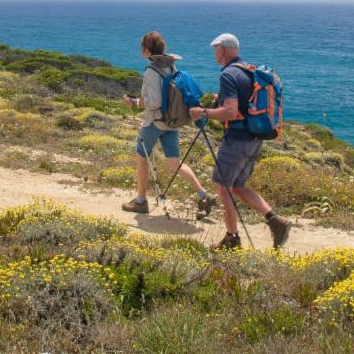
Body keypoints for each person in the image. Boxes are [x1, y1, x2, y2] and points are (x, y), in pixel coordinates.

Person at [189, 32, 292, 250]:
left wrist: (203, 112)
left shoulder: (228, 74)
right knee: (237, 186)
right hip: (255, 138)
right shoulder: (248, 70)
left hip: (237, 139)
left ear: (222, 50)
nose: (214, 53)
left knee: (223, 187)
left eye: (215, 49)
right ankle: (275, 220)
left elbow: (230, 111)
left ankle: (232, 238)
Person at [121, 31, 214, 216]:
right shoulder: (171, 66)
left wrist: (135, 103)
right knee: (174, 163)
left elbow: (155, 102)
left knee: (142, 157)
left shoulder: (151, 70)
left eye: (142, 47)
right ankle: (202, 194)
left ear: (147, 50)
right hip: (172, 121)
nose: (141, 50)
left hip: (155, 122)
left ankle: (140, 201)